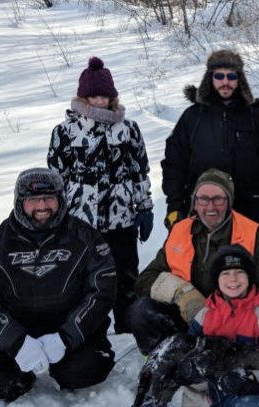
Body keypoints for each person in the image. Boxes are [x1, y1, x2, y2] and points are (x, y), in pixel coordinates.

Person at [0, 168, 117, 404]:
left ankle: (63, 370)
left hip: (66, 332)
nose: (42, 206)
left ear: (60, 200)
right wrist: (15, 342)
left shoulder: (86, 238)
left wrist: (66, 338)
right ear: (19, 202)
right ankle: (21, 377)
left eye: (49, 198)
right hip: (14, 332)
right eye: (33, 199)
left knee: (89, 370)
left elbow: (102, 290)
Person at [129, 168, 259, 356]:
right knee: (141, 311)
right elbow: (145, 280)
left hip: (236, 329)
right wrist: (181, 293)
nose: (210, 207)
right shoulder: (180, 232)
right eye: (203, 199)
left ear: (229, 202)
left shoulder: (255, 235)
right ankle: (163, 363)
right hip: (189, 321)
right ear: (195, 203)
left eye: (218, 199)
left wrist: (234, 322)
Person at [48, 56, 153, 334]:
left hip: (122, 222)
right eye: (93, 95)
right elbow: (57, 181)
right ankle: (89, 338)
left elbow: (139, 171)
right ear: (83, 96)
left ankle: (129, 336)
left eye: (104, 96)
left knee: (126, 281)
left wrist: (144, 208)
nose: (99, 101)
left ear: (112, 97)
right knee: (85, 284)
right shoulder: (65, 132)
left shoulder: (128, 129)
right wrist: (57, 221)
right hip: (81, 224)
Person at [162, 49, 259, 231]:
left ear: (239, 79)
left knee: (249, 259)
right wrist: (175, 205)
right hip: (202, 212)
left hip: (249, 212)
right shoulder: (193, 117)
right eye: (219, 76)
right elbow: (174, 163)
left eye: (231, 76)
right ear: (210, 78)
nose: (225, 82)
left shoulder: (255, 116)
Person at [187, 244, 259, 407]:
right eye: (225, 273)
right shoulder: (204, 315)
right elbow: (187, 353)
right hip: (203, 394)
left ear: (249, 277)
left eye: (240, 272)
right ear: (216, 280)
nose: (233, 279)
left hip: (241, 392)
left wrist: (252, 378)